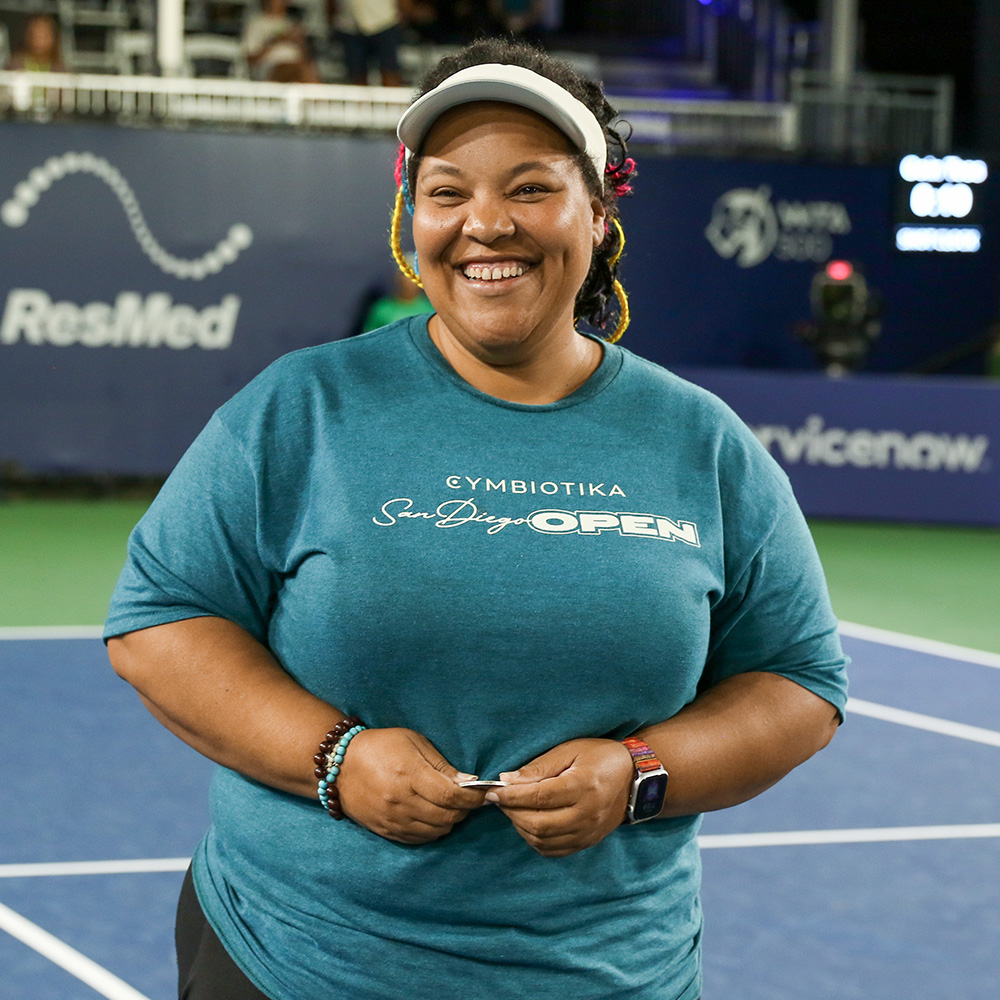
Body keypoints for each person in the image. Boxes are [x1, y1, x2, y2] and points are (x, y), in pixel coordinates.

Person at [105, 37, 848, 1000]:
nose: (484, 225)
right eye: (447, 192)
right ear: (413, 217)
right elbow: (158, 621)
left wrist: (641, 775)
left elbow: (798, 679)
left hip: (608, 976)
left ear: (599, 212)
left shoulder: (700, 442)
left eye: (531, 188)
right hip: (297, 965)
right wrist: (335, 759)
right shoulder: (303, 408)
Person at [243, 0, 319, 83]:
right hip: (271, 68)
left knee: (309, 69)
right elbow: (249, 59)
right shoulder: (257, 24)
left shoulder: (291, 24)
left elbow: (306, 56)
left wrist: (300, 43)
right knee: (301, 70)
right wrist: (278, 39)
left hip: (296, 66)